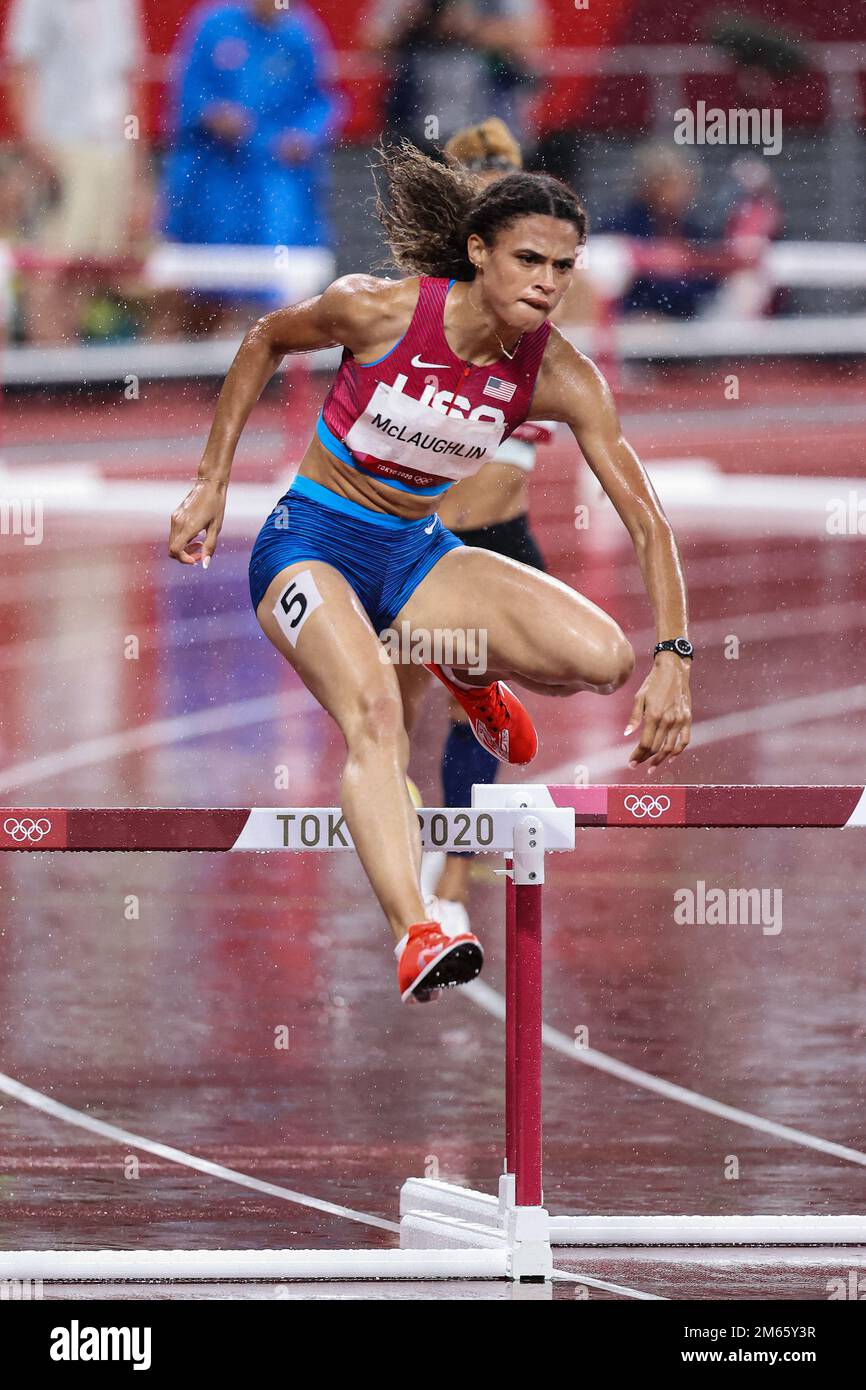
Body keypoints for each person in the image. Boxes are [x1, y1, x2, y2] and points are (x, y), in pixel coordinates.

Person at [168, 141, 693, 1004]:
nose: (548, 282)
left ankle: (465, 662)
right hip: (312, 544)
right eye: (529, 259)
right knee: (375, 715)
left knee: (604, 660)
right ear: (480, 251)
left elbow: (646, 519)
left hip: (418, 554)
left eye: (564, 266)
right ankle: (417, 930)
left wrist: (675, 655)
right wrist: (211, 483)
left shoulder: (560, 372)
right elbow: (265, 340)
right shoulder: (379, 312)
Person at [4, 0, 146, 343]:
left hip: (111, 148)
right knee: (52, 264)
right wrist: (34, 144)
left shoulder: (120, 5)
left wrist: (135, 159)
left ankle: (67, 367)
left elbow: (130, 76)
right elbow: (22, 69)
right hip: (62, 147)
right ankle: (48, 371)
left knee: (92, 265)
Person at [162, 0, 342, 249]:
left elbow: (322, 99)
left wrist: (304, 135)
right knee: (207, 265)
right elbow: (188, 91)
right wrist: (213, 113)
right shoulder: (215, 24)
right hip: (216, 170)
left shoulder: (300, 32)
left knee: (283, 256)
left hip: (277, 172)